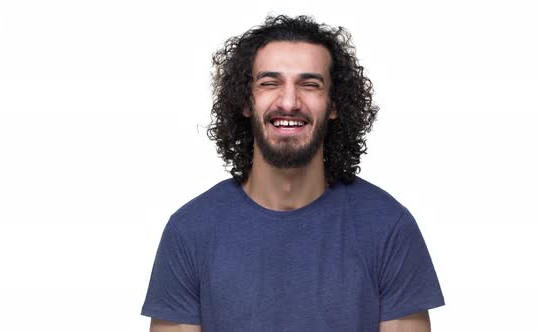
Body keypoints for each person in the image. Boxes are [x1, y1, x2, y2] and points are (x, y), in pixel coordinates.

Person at [141, 15, 444, 332]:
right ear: (246, 102)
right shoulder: (190, 232)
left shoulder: (388, 228)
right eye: (269, 83)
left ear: (334, 105)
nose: (289, 101)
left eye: (310, 84)